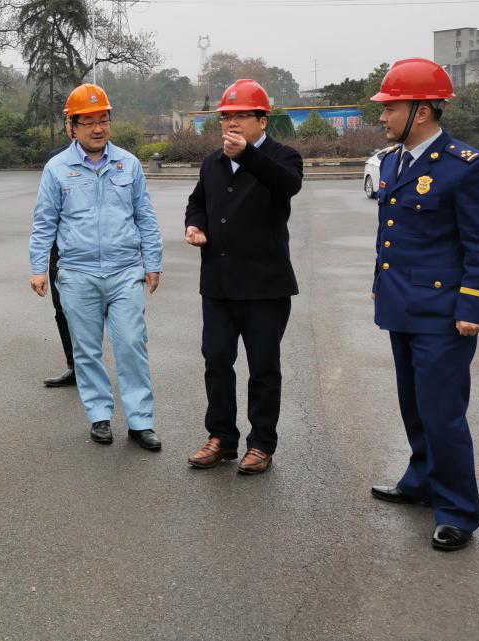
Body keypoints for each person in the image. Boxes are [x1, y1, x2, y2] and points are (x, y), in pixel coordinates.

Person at [367, 58, 479, 552]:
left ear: (421, 111)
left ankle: (458, 512)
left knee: (443, 414)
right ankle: (421, 480)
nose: (382, 116)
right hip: (402, 305)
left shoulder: (468, 167)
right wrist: (381, 286)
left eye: (391, 107)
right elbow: (392, 233)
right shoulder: (392, 161)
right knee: (414, 405)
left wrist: (475, 307)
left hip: (444, 314)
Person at [29, 83, 163, 449]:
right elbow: (45, 222)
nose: (98, 128)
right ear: (72, 126)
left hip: (124, 271)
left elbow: (145, 217)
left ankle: (140, 421)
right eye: (88, 122)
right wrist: (39, 268)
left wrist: (152, 262)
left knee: (132, 344)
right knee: (86, 350)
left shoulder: (128, 164)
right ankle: (100, 416)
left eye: (103, 119)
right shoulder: (57, 169)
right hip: (77, 274)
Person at [184, 79, 303, 475]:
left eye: (240, 116)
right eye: (225, 117)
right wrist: (195, 225)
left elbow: (288, 185)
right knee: (216, 359)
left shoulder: (284, 157)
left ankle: (261, 444)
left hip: (265, 286)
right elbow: (197, 201)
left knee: (263, 367)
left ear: (262, 120)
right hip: (218, 283)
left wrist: (248, 155)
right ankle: (221, 437)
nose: (231, 123)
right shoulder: (212, 162)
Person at [42, 117, 75, 388]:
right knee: (61, 308)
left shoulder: (116, 159)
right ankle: (74, 365)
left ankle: (92, 366)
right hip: (59, 250)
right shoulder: (56, 158)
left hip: (89, 254)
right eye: (71, 121)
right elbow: (46, 210)